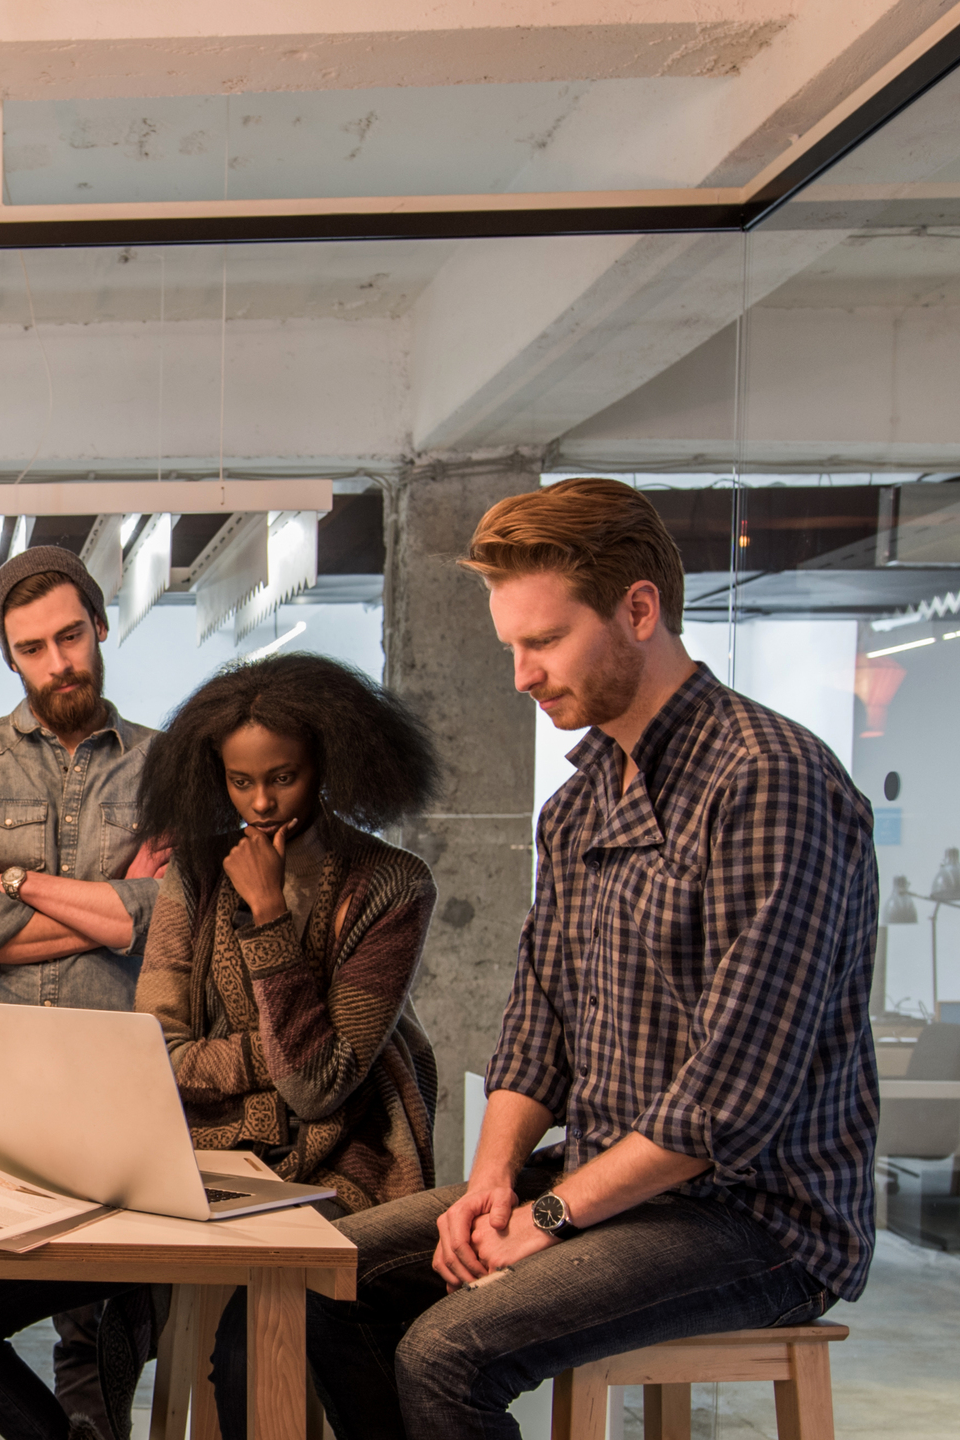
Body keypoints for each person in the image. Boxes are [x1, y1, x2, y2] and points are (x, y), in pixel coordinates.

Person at [305, 478, 879, 1440]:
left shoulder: (767, 780)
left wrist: (550, 1219)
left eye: (544, 641)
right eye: (512, 648)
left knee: (446, 1354)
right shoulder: (576, 808)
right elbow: (539, 1026)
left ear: (639, 609)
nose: (522, 676)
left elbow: (726, 1103)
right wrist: (494, 1182)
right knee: (315, 1277)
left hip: (759, 1217)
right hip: (606, 1181)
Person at [0, 652, 445, 1440]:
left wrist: (266, 922)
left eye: (284, 777)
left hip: (335, 1173)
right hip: (192, 1163)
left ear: (328, 762)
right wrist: (276, 1057)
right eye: (240, 782)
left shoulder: (392, 884)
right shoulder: (196, 873)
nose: (260, 803)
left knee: (245, 1358)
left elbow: (317, 1091)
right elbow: (162, 1050)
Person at [0, 546, 167, 1440]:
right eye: (34, 648)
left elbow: (168, 919)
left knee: (96, 1334)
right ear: (10, 658)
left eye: (71, 637)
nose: (59, 663)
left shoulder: (166, 767)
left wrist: (19, 882)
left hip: (108, 1080)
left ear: (98, 624)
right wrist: (113, 907)